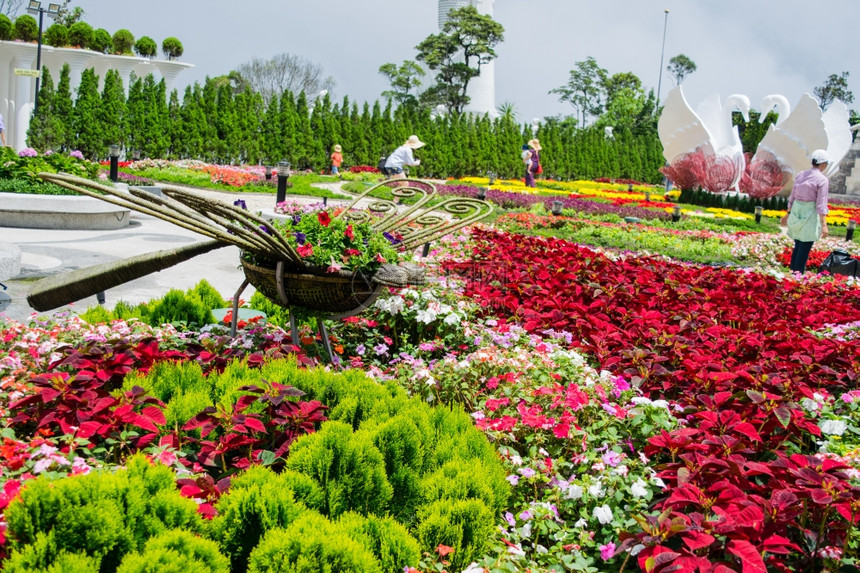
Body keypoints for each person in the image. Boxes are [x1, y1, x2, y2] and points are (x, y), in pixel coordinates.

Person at [780, 149, 831, 274]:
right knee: (805, 244)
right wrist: (824, 225)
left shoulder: (801, 175)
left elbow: (793, 196)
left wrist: (788, 213)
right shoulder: (822, 180)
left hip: (797, 209)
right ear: (823, 164)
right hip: (810, 212)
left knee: (798, 244)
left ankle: (793, 272)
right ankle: (797, 275)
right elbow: (821, 204)